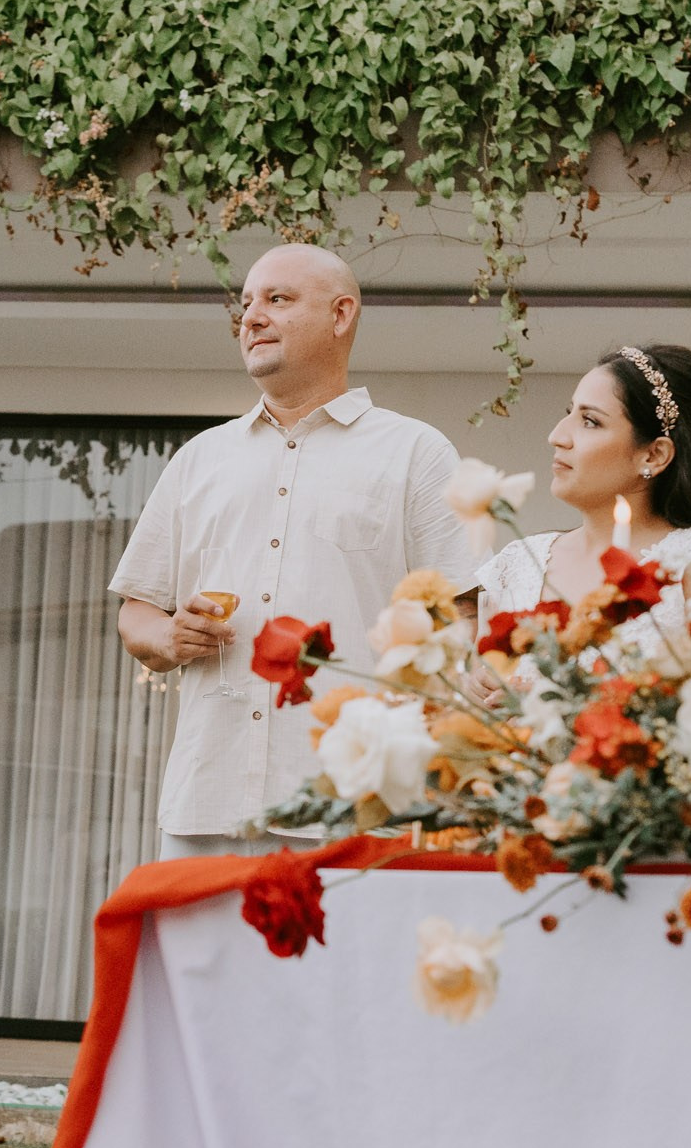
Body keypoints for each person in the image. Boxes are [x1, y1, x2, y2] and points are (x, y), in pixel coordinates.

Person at [110, 244, 480, 857]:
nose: (251, 317)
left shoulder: (416, 453)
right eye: (247, 303)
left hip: (356, 806)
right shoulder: (199, 458)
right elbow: (137, 612)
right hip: (209, 802)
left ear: (341, 314)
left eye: (277, 300)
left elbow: (462, 619)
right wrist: (169, 637)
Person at [475, 343, 691, 636]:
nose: (556, 436)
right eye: (569, 412)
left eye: (590, 421)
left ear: (653, 455)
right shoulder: (518, 562)